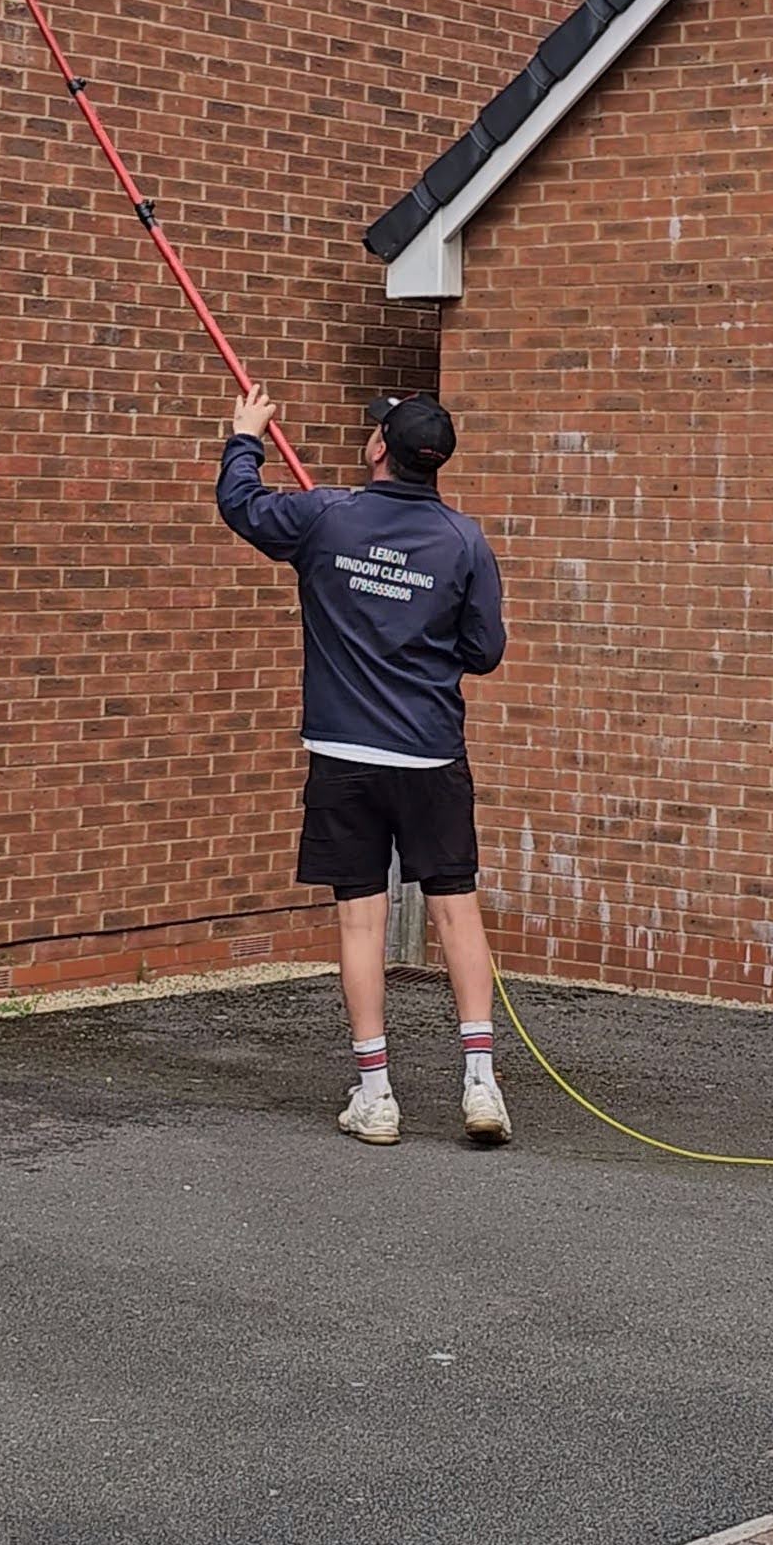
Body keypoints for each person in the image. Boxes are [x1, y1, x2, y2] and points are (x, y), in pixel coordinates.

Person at [218, 386, 511, 1146]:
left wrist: (246, 436)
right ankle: (481, 1084)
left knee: (361, 919)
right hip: (430, 753)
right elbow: (484, 651)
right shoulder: (463, 541)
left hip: (345, 755)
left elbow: (241, 505)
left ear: (381, 447)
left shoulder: (327, 518)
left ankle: (377, 1095)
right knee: (455, 910)